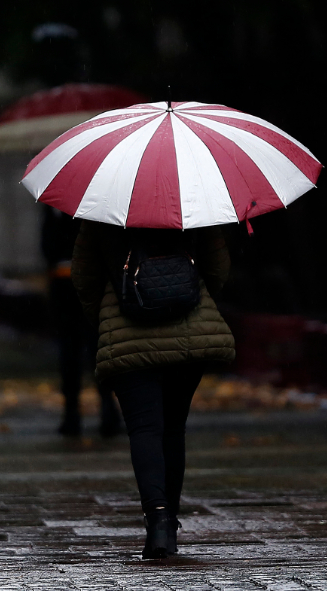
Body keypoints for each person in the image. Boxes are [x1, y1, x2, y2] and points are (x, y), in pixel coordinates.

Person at [71, 221, 235, 559]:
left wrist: (106, 317)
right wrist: (190, 298)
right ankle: (169, 523)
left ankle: (158, 520)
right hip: (190, 332)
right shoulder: (195, 204)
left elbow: (84, 278)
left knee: (145, 429)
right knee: (173, 430)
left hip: (127, 333)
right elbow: (218, 269)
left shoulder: (103, 209)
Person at [41, 206, 121, 437]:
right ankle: (105, 408)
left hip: (64, 286)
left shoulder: (56, 206)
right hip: (90, 286)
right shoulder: (97, 207)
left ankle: (73, 413)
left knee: (71, 350)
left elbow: (47, 247)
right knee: (97, 348)